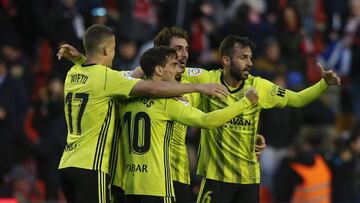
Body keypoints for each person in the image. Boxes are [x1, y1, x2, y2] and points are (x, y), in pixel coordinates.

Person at [57, 26, 267, 203]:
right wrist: (243, 103)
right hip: (156, 183)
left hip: (125, 180)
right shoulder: (170, 97)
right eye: (175, 54)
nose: (182, 56)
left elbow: (101, 74)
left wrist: (249, 136)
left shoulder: (119, 91)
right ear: (159, 64)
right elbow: (206, 119)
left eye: (185, 50)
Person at [180, 35, 340, 203]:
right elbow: (174, 73)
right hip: (215, 179)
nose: (249, 62)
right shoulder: (207, 79)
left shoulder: (259, 86)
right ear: (226, 60)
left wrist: (323, 84)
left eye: (250, 57)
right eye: (243, 57)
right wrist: (195, 86)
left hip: (248, 180)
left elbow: (297, 99)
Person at [119, 46, 258, 203]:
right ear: (158, 70)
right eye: (173, 65)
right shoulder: (168, 102)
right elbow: (207, 121)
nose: (178, 70)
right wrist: (245, 103)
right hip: (158, 187)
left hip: (129, 185)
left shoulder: (125, 96)